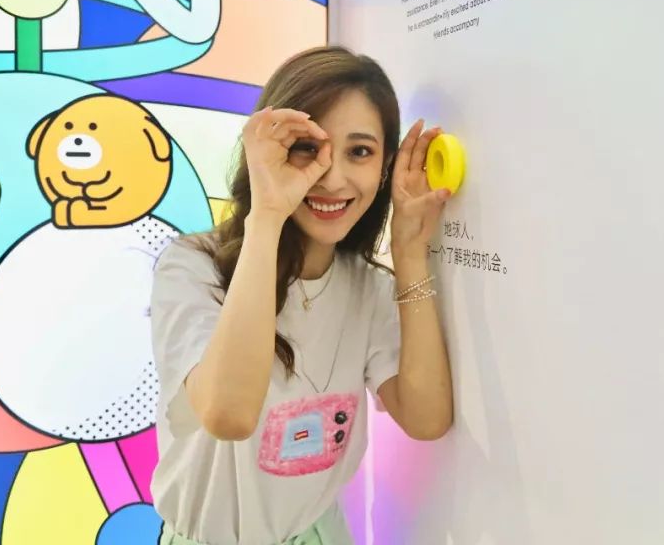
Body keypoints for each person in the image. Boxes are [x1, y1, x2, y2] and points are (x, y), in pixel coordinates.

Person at [148, 46, 454, 545]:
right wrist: (267, 214)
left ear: (384, 168)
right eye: (308, 148)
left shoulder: (367, 288)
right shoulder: (194, 267)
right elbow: (229, 414)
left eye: (360, 152)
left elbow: (426, 418)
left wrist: (410, 253)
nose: (331, 178)